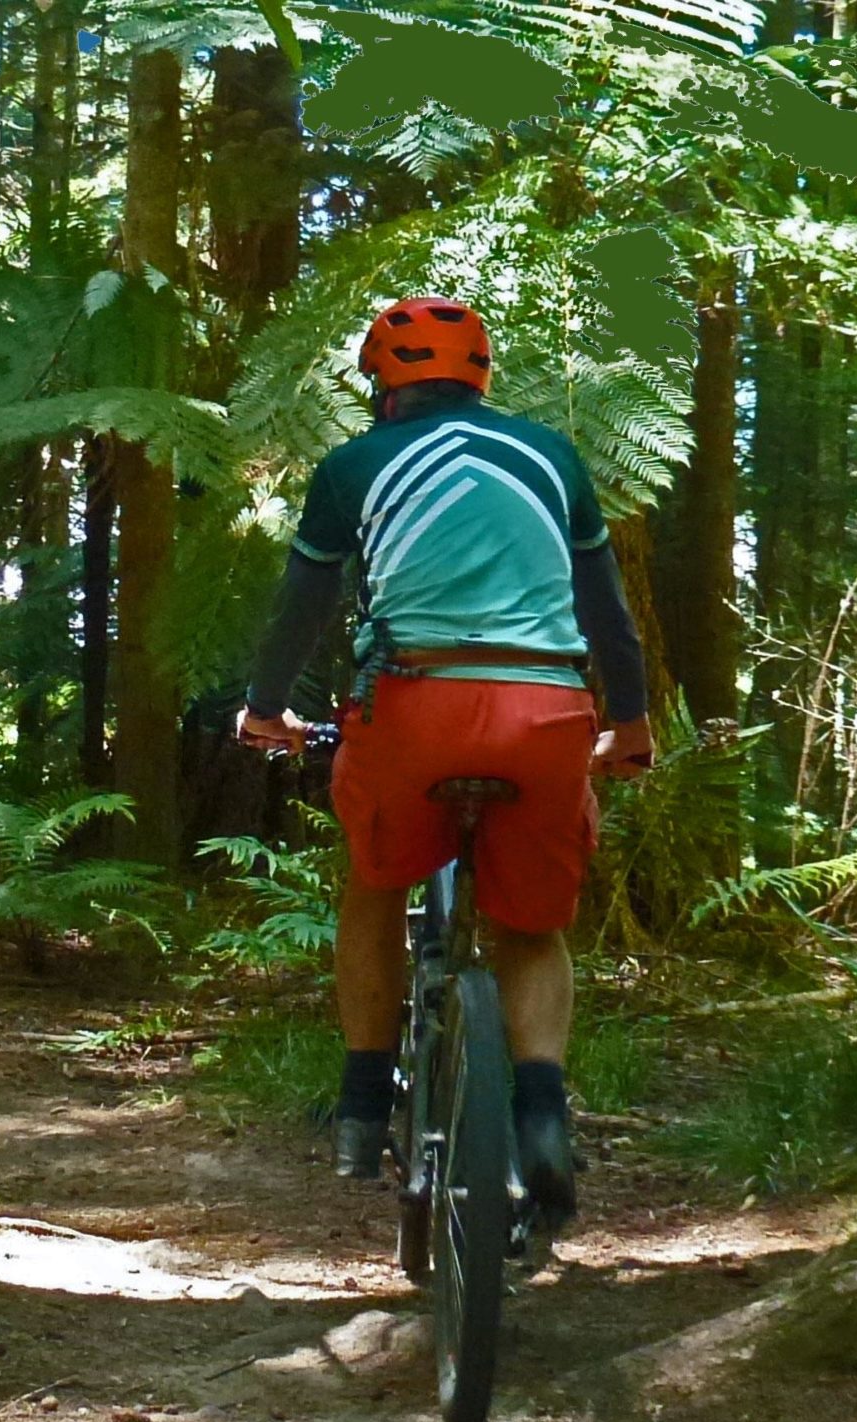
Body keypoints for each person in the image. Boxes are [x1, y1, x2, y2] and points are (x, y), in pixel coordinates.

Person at [235, 295, 655, 1231]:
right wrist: (627, 727)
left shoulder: (352, 465)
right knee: (533, 929)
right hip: (546, 710)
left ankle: (359, 1101)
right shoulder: (552, 456)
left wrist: (265, 711)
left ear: (380, 384)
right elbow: (608, 619)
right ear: (481, 376)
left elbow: (300, 609)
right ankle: (542, 1108)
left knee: (377, 886)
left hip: (413, 709)